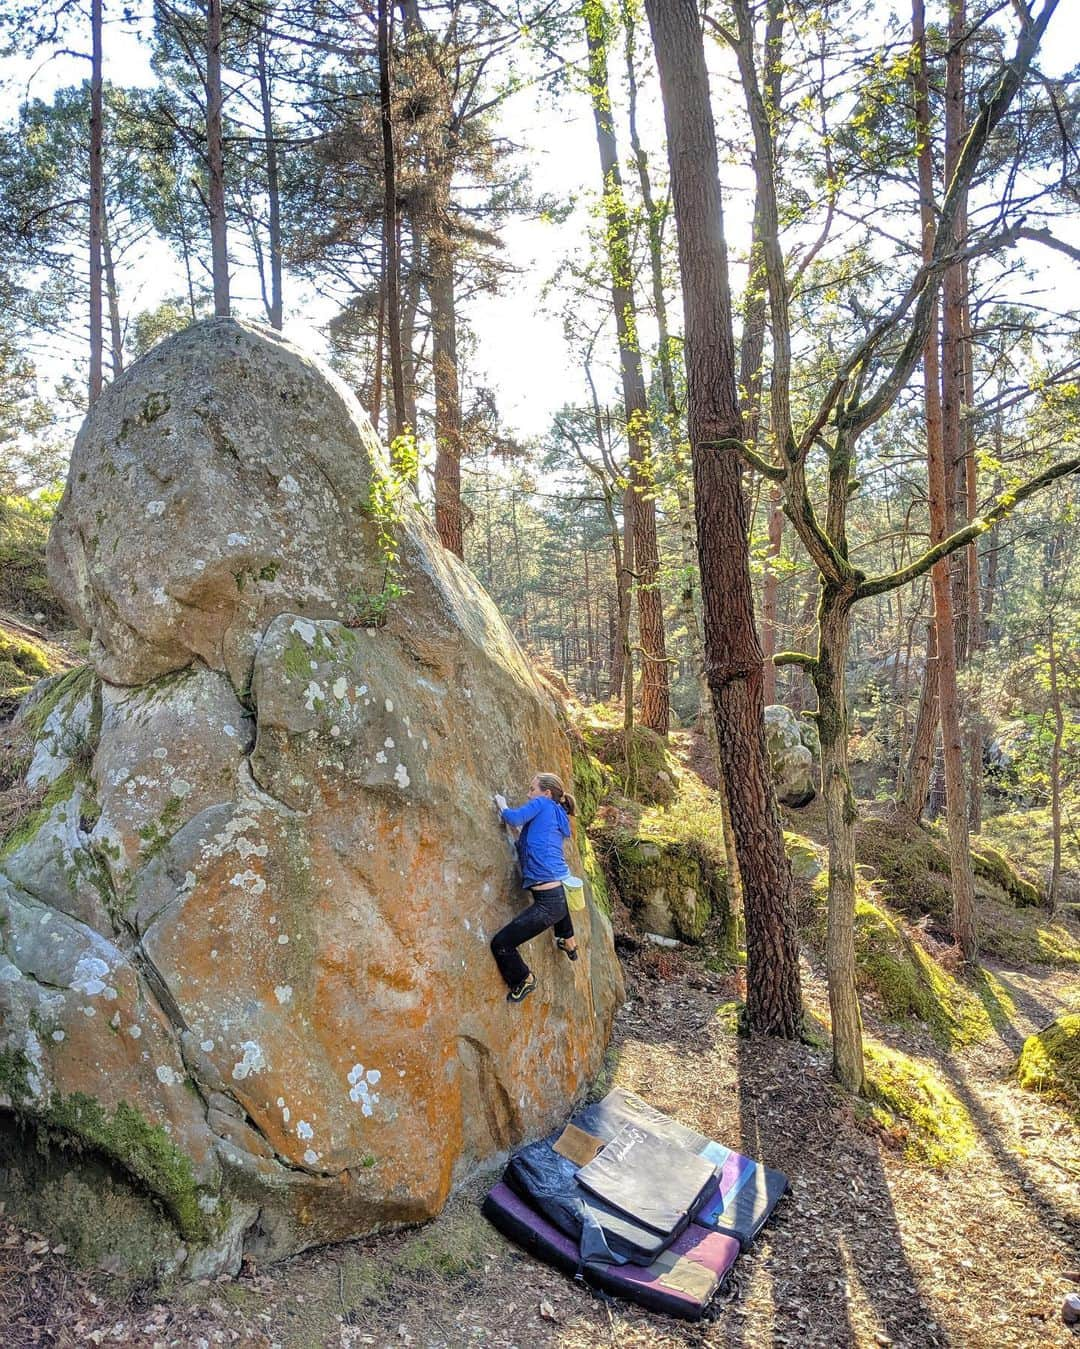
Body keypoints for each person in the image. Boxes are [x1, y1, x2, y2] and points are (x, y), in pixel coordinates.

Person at [490, 772, 579, 1003]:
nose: (529, 794)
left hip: (550, 901)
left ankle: (524, 978)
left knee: (501, 944)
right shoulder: (558, 813)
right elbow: (532, 841)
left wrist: (502, 804)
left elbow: (513, 818)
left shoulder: (543, 803)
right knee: (556, 901)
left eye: (532, 789)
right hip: (557, 891)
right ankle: (568, 940)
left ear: (546, 793)